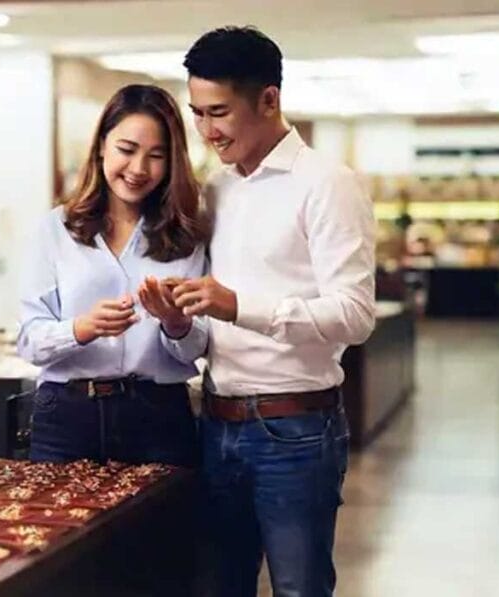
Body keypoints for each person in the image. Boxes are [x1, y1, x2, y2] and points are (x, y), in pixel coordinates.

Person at [172, 26, 377, 596]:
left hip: (295, 429)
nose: (208, 131)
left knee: (299, 588)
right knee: (218, 587)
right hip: (215, 423)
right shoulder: (216, 187)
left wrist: (240, 307)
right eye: (197, 113)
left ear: (269, 100)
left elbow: (355, 315)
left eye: (220, 112)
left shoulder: (328, 185)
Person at [17, 84, 207, 468]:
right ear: (102, 144)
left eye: (156, 156)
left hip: (159, 417)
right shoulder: (56, 229)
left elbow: (197, 350)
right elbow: (29, 343)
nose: (139, 169)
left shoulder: (187, 237)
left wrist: (175, 323)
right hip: (66, 417)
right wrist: (81, 328)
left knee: (159, 530)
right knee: (59, 528)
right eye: (126, 150)